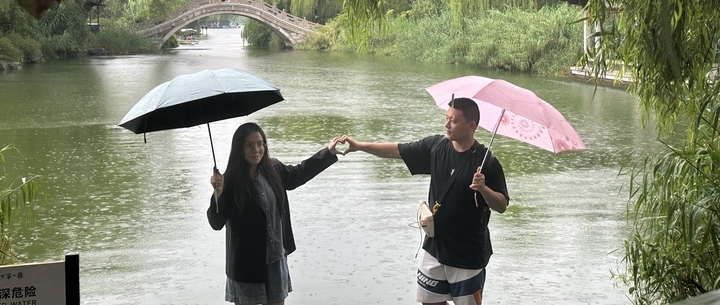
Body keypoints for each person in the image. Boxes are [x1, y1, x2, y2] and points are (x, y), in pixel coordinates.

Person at [339, 97, 509, 305]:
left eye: (453, 121)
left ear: (471, 126)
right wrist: (359, 146)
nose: (447, 124)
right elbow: (397, 150)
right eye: (446, 118)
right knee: (429, 302)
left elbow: (501, 205)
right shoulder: (436, 147)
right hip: (435, 246)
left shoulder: (487, 162)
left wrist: (483, 188)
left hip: (468, 254)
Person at [208, 122, 343, 305]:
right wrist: (218, 193)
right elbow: (216, 223)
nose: (256, 149)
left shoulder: (274, 169)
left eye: (260, 143)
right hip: (246, 263)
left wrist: (328, 152)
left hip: (275, 258)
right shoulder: (230, 181)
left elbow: (298, 174)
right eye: (249, 145)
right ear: (240, 148)